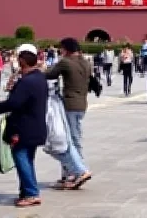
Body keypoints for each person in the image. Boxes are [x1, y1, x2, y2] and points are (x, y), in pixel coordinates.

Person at [0, 44, 48, 208]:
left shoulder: (27, 82)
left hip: (23, 128)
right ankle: (26, 192)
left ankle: (31, 193)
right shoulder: (39, 78)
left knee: (22, 159)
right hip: (35, 126)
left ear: (22, 60)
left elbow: (14, 103)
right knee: (27, 160)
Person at [45, 37, 92, 189]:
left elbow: (50, 74)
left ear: (66, 49)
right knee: (74, 138)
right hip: (82, 104)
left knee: (69, 140)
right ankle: (69, 173)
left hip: (70, 104)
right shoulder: (85, 62)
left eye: (62, 48)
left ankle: (77, 172)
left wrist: (39, 68)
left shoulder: (65, 62)